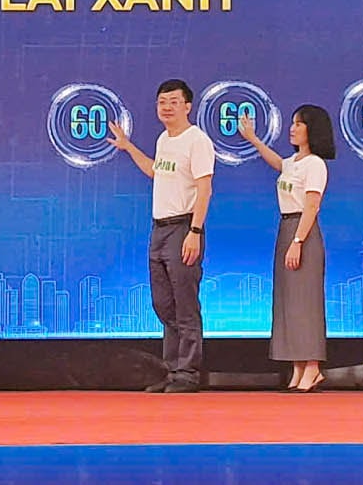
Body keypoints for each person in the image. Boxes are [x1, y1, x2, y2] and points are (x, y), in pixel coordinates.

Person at [108, 79, 215, 394]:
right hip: (159, 229)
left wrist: (195, 231)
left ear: (187, 106)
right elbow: (156, 171)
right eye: (161, 102)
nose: (166, 107)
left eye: (173, 101)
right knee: (163, 304)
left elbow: (205, 189)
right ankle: (172, 371)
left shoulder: (197, 140)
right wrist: (128, 146)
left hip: (184, 227)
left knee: (185, 304)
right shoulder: (164, 140)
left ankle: (188, 374)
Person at [240, 105, 335, 393]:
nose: (293, 128)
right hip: (286, 228)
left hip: (302, 232)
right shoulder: (294, 162)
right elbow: (278, 163)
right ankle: (298, 367)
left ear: (312, 129)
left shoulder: (315, 164)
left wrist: (298, 241)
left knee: (306, 303)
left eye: (299, 124)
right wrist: (253, 139)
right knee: (289, 303)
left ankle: (313, 367)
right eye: (293, 123)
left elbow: (312, 206)